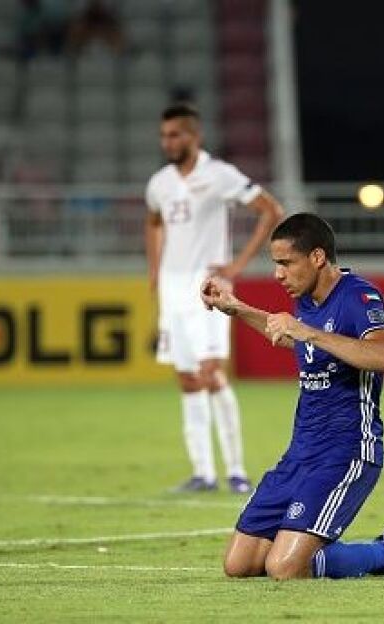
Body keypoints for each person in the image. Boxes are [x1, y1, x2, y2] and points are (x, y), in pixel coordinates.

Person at [202, 213, 384, 580]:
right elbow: (293, 338)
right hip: (300, 452)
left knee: (285, 567)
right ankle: (313, 548)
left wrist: (308, 332)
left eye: (286, 263)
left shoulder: (357, 296)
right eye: (276, 264)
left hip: (346, 452)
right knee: (239, 565)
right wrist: (236, 309)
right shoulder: (307, 298)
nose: (278, 274)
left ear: (317, 257)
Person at [145, 103, 283, 494]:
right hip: (172, 288)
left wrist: (237, 264)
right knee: (188, 379)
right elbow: (153, 222)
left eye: (175, 134)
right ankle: (203, 473)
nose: (168, 142)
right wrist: (154, 268)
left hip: (208, 286)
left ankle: (236, 470)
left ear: (194, 136)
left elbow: (271, 210)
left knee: (211, 372)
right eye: (164, 135)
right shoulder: (160, 183)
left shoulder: (219, 174)